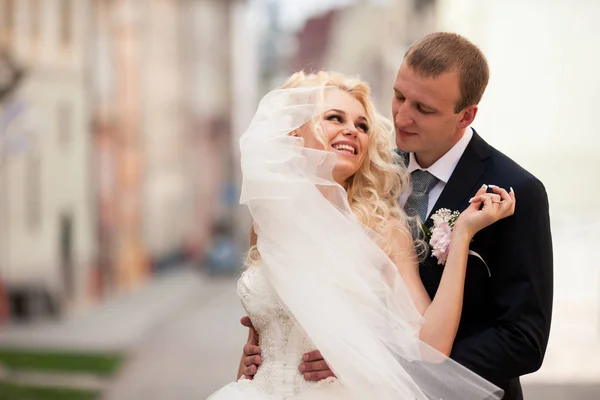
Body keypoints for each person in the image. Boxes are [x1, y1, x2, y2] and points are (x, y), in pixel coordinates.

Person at [241, 32, 553, 400]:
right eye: (399, 96)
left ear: (465, 115)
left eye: (423, 108)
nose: (402, 117)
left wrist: (370, 363)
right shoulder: (369, 171)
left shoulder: (514, 191)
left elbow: (523, 340)